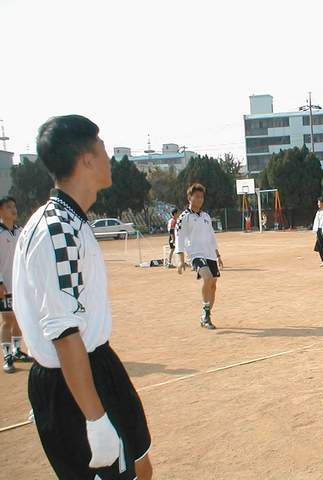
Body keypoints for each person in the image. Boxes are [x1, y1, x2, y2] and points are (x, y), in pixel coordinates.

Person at [13, 115, 152, 479]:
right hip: (72, 379)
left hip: (97, 364)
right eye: (103, 146)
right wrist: (95, 419)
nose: (109, 156)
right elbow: (63, 333)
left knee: (141, 468)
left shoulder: (74, 221)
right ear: (86, 158)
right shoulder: (56, 230)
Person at [175, 183, 224, 330]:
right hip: (195, 254)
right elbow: (179, 238)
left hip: (210, 254)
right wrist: (180, 260)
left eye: (202, 197)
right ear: (189, 198)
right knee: (207, 278)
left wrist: (218, 255)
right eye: (196, 196)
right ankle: (206, 315)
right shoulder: (184, 217)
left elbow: (212, 236)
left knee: (213, 285)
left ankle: (205, 315)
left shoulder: (206, 216)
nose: (200, 199)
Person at [0, 196, 31, 373]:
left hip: (19, 284)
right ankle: (7, 356)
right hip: (4, 285)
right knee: (7, 319)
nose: (13, 210)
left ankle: (17, 351)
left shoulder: (21, 231)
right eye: (8, 207)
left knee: (19, 317)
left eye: (14, 206)